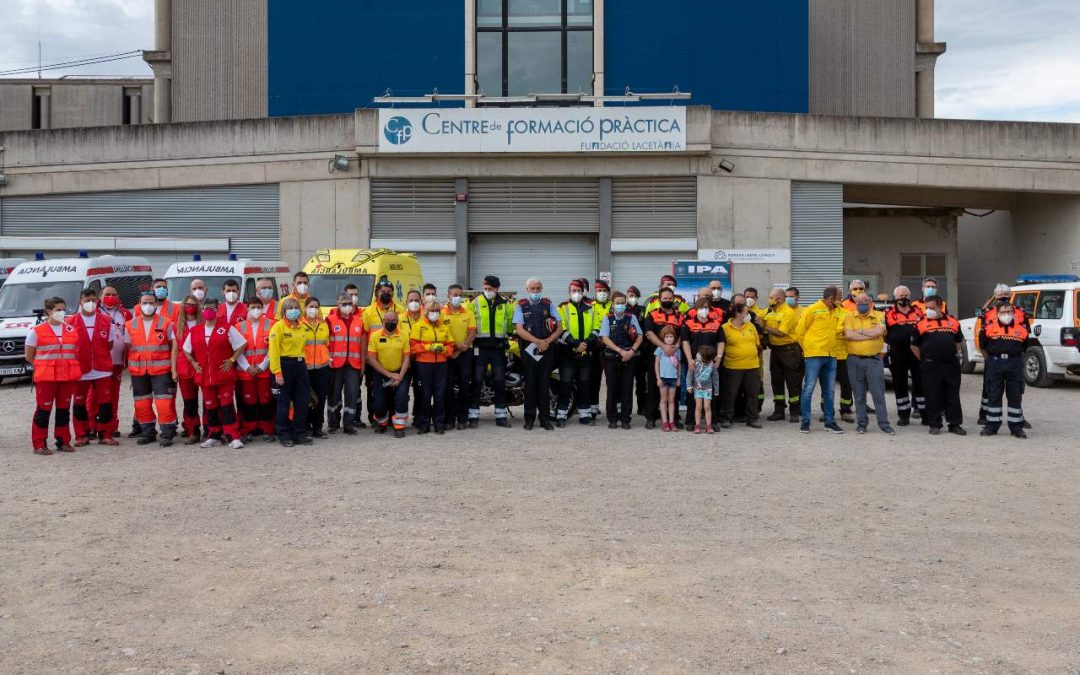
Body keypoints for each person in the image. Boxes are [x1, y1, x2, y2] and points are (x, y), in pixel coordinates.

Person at [182, 298, 248, 448]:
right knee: (210, 406)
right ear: (202, 309)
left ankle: (233, 436)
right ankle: (214, 435)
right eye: (205, 307)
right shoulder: (196, 330)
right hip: (205, 376)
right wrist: (193, 363)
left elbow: (242, 343)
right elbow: (186, 349)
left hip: (224, 375)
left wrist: (232, 360)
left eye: (212, 308)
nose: (208, 310)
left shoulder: (226, 327)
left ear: (218, 310)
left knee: (227, 405)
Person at [25, 297, 81, 454]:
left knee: (63, 410)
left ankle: (63, 441)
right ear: (49, 311)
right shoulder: (36, 331)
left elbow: (73, 352)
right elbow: (29, 356)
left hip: (67, 377)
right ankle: (39, 444)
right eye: (58, 310)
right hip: (47, 378)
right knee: (43, 411)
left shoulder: (71, 329)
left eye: (63, 309)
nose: (62, 312)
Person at [126, 291, 179, 447]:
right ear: (139, 304)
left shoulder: (167, 323)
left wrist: (174, 370)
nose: (147, 306)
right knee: (141, 403)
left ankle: (167, 433)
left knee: (164, 403)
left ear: (156, 304)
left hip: (162, 371)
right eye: (144, 303)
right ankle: (148, 432)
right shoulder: (130, 324)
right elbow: (129, 347)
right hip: (138, 372)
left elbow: (172, 347)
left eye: (151, 303)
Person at [976, 284, 1031, 427]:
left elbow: (1026, 336)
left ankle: (1019, 418)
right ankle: (985, 415)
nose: (1002, 296)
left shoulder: (1020, 312)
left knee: (1016, 390)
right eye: (999, 294)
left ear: (1010, 294)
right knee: (990, 388)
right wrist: (988, 357)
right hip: (994, 357)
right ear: (995, 296)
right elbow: (983, 336)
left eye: (1005, 293)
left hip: (1013, 357)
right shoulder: (987, 312)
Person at [69, 289, 118, 447]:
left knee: (106, 404)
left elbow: (109, 344)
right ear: (80, 301)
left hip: (102, 368)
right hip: (80, 370)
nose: (90, 303)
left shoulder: (105, 320)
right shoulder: (70, 322)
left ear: (97, 301)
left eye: (93, 299)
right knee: (79, 405)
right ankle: (81, 435)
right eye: (86, 300)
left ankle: (106, 434)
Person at [794, 286, 846, 434]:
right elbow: (799, 332)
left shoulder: (838, 311)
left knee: (829, 391)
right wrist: (808, 349)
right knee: (809, 389)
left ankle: (830, 422)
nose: (841, 300)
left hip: (831, 355)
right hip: (814, 356)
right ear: (831, 298)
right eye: (839, 297)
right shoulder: (812, 309)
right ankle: (805, 422)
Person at [911, 295, 966, 436]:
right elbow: (914, 346)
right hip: (930, 366)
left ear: (940, 306)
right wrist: (925, 359)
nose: (928, 310)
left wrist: (949, 353)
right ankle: (934, 424)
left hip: (950, 365)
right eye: (927, 308)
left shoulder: (953, 322)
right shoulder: (920, 323)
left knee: (952, 395)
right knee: (932, 395)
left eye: (932, 308)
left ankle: (954, 424)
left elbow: (958, 342)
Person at [843, 292, 895, 435]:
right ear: (855, 303)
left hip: (874, 360)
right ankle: (862, 424)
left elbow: (880, 331)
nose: (862, 303)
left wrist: (859, 332)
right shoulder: (848, 316)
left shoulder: (879, 315)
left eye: (865, 300)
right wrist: (870, 333)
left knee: (878, 394)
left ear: (871, 302)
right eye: (859, 301)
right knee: (859, 395)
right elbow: (849, 335)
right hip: (854, 360)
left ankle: (884, 424)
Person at [514, 278, 561, 431]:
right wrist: (537, 342)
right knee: (530, 385)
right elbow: (519, 329)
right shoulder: (521, 306)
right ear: (527, 290)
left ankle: (545, 419)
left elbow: (559, 327)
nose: (535, 291)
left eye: (538, 288)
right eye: (532, 288)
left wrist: (547, 342)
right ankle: (529, 419)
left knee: (544, 384)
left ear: (542, 288)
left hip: (547, 348)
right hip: (529, 349)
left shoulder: (549, 304)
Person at [471, 275, 514, 428]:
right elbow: (470, 323)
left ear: (497, 289)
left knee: (499, 382)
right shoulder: (475, 302)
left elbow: (510, 325)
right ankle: (473, 416)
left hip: (498, 349)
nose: (487, 291)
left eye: (490, 289)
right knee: (477, 381)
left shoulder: (505, 304)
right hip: (480, 348)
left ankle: (501, 416)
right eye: (485, 288)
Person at [556, 279, 600, 427]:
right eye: (573, 291)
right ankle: (561, 414)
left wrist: (586, 343)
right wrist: (576, 344)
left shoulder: (591, 308)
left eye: (578, 291)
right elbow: (561, 329)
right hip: (568, 352)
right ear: (569, 292)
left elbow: (597, 327)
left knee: (585, 383)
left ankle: (584, 414)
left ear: (583, 292)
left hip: (586, 351)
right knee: (565, 384)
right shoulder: (562, 308)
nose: (576, 293)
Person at [269, 297, 312, 447]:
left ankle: (299, 433)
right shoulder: (278, 327)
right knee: (284, 402)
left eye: (295, 308)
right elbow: (273, 352)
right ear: (283, 311)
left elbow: (303, 348)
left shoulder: (301, 326)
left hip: (300, 365)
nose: (293, 311)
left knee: (302, 401)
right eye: (290, 308)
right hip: (284, 365)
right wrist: (277, 373)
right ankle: (284, 434)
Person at [362, 280, 404, 426]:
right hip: (373, 359)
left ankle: (392, 417)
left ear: (393, 293)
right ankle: (374, 418)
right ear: (377, 293)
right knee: (373, 391)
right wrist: (365, 356)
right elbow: (363, 336)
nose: (386, 293)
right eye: (382, 291)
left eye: (388, 291)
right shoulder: (368, 311)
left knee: (394, 391)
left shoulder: (400, 310)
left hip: (394, 357)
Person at [599, 291, 643, 430]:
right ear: (612, 304)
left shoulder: (632, 317)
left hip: (629, 357)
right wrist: (620, 351)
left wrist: (632, 351)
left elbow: (640, 335)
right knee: (612, 389)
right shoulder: (607, 318)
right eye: (617, 303)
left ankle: (625, 418)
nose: (620, 305)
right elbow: (604, 338)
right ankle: (612, 418)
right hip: (612, 358)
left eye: (622, 303)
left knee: (627, 388)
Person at [643, 287, 686, 429]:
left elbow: (682, 334)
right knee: (654, 386)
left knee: (675, 389)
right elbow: (649, 333)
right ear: (659, 299)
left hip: (674, 357)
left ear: (673, 299)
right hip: (656, 357)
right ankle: (651, 417)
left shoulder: (680, 316)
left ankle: (674, 418)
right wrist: (663, 346)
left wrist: (675, 346)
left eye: (670, 298)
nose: (667, 301)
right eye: (665, 298)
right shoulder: (652, 315)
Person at [410, 299, 454, 434]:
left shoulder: (444, 327)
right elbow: (412, 346)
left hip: (441, 365)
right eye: (432, 311)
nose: (434, 313)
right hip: (423, 365)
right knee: (424, 395)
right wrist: (428, 347)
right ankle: (424, 424)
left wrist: (443, 349)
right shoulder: (419, 326)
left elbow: (451, 346)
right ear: (426, 312)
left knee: (440, 395)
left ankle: (439, 424)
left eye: (437, 311)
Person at [681, 296, 723, 432]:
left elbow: (721, 342)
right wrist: (689, 359)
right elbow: (685, 342)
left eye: (706, 307)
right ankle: (691, 421)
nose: (703, 310)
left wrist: (719, 358)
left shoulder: (716, 324)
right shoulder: (688, 324)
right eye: (700, 307)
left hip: (712, 364)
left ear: (710, 309)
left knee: (713, 392)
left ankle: (714, 421)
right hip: (695, 363)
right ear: (695, 309)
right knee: (692, 393)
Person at [884, 285, 925, 426]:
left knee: (920, 382)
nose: (904, 298)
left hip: (916, 352)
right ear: (895, 297)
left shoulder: (918, 312)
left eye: (906, 295)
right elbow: (884, 333)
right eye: (901, 296)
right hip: (897, 353)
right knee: (900, 384)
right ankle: (904, 415)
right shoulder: (888, 313)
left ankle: (923, 412)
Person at [237, 296, 275, 443]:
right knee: (249, 401)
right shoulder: (239, 327)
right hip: (246, 372)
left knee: (266, 400)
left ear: (262, 308)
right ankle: (248, 429)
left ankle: (267, 429)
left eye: (258, 307)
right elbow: (237, 350)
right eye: (252, 307)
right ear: (247, 308)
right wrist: (247, 367)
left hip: (264, 371)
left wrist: (261, 366)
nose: (256, 310)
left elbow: (274, 349)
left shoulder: (271, 325)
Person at [326, 292, 366, 435]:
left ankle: (348, 424)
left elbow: (362, 344)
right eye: (344, 304)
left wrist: (363, 364)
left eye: (349, 303)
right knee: (334, 395)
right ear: (338, 304)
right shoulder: (329, 320)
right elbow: (325, 343)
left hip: (353, 365)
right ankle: (333, 423)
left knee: (352, 394)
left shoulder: (359, 321)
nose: (347, 306)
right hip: (335, 365)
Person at [720, 297, 762, 429]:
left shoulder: (751, 327)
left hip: (752, 366)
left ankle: (752, 418)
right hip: (733, 367)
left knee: (752, 394)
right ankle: (727, 418)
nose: (748, 315)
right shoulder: (725, 328)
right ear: (738, 314)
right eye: (746, 313)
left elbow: (757, 344)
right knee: (730, 394)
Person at [368, 309, 411, 437]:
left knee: (402, 397)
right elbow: (371, 359)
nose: (391, 323)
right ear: (383, 321)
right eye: (388, 320)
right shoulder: (375, 336)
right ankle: (382, 423)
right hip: (381, 372)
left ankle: (399, 426)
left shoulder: (404, 335)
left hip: (400, 372)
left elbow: (406, 358)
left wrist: (400, 376)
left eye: (394, 321)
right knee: (379, 402)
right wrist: (389, 375)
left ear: (397, 322)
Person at [763, 287, 803, 423]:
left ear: (779, 299)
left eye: (772, 297)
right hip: (776, 351)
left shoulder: (788, 312)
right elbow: (758, 317)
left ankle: (795, 412)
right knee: (776, 381)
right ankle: (779, 410)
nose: (770, 300)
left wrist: (764, 326)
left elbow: (781, 332)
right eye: (769, 297)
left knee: (793, 382)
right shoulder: (770, 311)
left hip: (789, 351)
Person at [98, 286, 130, 442]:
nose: (110, 297)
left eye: (114, 294)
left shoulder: (125, 313)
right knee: (94, 396)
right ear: (100, 296)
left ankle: (112, 426)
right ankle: (93, 425)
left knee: (114, 395)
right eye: (107, 294)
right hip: (99, 362)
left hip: (117, 361)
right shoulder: (95, 312)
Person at [442, 284, 476, 431]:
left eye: (459, 295)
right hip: (448, 353)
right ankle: (449, 419)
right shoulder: (442, 313)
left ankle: (463, 418)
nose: (457, 297)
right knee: (447, 388)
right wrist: (455, 348)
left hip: (465, 354)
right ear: (448, 296)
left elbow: (472, 333)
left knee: (464, 386)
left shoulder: (468, 313)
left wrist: (463, 347)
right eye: (454, 294)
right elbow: (441, 334)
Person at [173, 295, 204, 444]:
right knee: (189, 401)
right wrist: (174, 370)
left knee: (208, 401)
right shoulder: (176, 326)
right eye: (187, 305)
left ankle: (212, 429)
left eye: (193, 305)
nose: (190, 307)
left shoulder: (204, 323)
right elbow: (174, 350)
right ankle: (193, 430)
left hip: (202, 366)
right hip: (184, 367)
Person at [302, 297, 331, 439]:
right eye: (311, 306)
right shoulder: (299, 324)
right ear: (305, 308)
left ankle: (318, 428)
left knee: (320, 398)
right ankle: (306, 426)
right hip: (305, 368)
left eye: (316, 306)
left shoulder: (324, 324)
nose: (314, 309)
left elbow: (327, 344)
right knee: (306, 398)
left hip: (322, 368)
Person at [587, 279, 613, 419]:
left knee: (612, 380)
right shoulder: (590, 306)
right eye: (599, 291)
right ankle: (593, 408)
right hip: (595, 346)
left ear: (608, 292)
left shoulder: (613, 305)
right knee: (594, 379)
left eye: (604, 291)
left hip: (611, 347)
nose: (602, 293)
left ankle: (614, 408)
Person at [625, 286, 650, 422]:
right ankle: (626, 409)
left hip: (641, 351)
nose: (632, 297)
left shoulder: (642, 310)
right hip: (627, 350)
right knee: (627, 382)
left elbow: (646, 329)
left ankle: (642, 406)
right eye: (630, 295)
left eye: (634, 295)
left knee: (641, 382)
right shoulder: (622, 309)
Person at [653, 326, 681, 432]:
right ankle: (664, 422)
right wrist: (658, 378)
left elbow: (679, 365)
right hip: (663, 378)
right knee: (663, 400)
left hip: (673, 378)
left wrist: (678, 378)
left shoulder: (677, 350)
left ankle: (671, 421)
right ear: (663, 338)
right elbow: (656, 363)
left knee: (671, 400)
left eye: (671, 336)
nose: (669, 338)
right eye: (667, 337)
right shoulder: (660, 349)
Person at [690, 344, 719, 434]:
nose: (697, 354)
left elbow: (715, 378)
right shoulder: (695, 362)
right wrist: (688, 385)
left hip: (708, 389)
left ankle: (709, 426)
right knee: (698, 407)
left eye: (699, 353)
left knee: (707, 407)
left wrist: (716, 390)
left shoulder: (712, 365)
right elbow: (689, 375)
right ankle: (697, 425)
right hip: (697, 389)